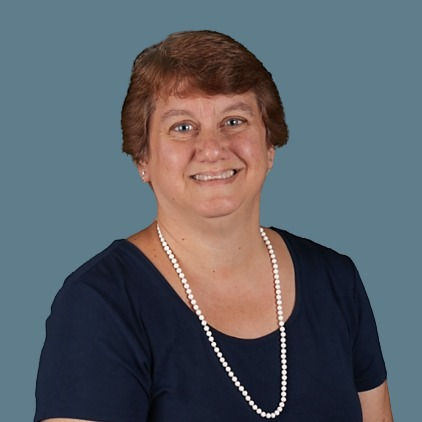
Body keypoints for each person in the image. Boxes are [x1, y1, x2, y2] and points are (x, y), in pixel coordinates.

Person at [34, 30, 393, 421]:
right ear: (143, 159)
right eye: (182, 127)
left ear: (269, 145)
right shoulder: (99, 305)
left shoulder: (336, 281)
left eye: (234, 121)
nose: (213, 148)